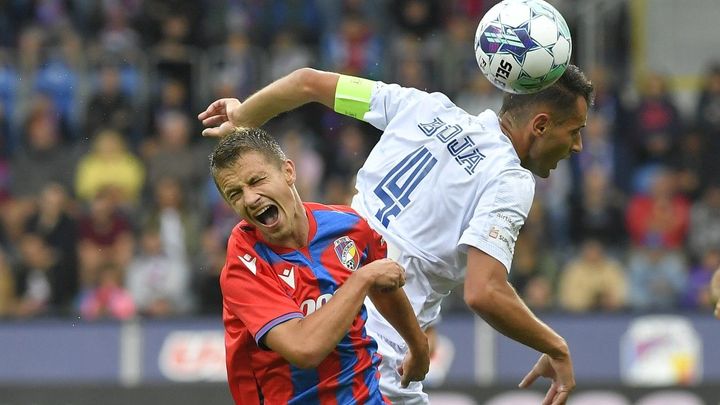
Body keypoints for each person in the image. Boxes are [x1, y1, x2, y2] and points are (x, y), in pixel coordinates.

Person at [199, 65, 593, 405]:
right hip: (377, 354)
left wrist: (243, 118)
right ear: (540, 125)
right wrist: (554, 345)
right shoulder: (509, 180)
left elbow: (306, 82)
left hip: (321, 306)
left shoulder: (423, 108)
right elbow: (484, 292)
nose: (577, 146)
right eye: (575, 131)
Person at [208, 128, 429, 404]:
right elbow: (305, 350)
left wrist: (418, 346)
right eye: (235, 194)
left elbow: (384, 286)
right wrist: (361, 280)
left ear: (288, 171)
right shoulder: (243, 264)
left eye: (256, 181)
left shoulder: (348, 226)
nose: (250, 198)